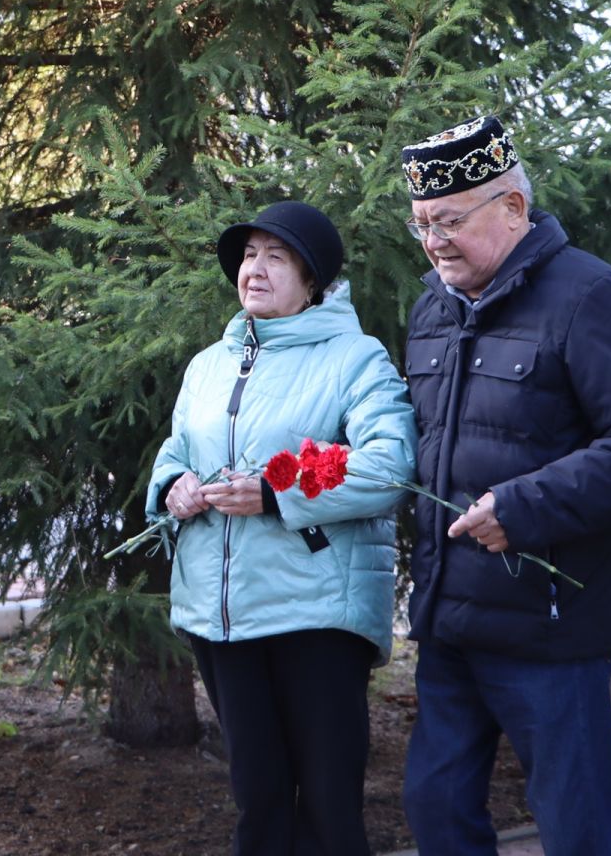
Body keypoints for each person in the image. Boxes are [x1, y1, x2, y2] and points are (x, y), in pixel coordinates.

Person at [395, 115, 611, 856]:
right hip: (450, 622)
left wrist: (526, 507)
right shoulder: (431, 307)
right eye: (421, 225)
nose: (433, 242)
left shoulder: (590, 295)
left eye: (450, 221)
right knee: (434, 808)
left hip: (552, 627)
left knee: (573, 829)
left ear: (514, 209)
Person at [146, 200, 416, 856]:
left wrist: (275, 492)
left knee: (327, 806)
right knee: (258, 799)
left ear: (313, 279)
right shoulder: (209, 364)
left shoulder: (356, 358)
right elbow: (179, 449)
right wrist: (173, 487)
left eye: (276, 256)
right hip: (222, 614)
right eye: (248, 255)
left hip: (315, 613)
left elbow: (389, 464)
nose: (255, 269)